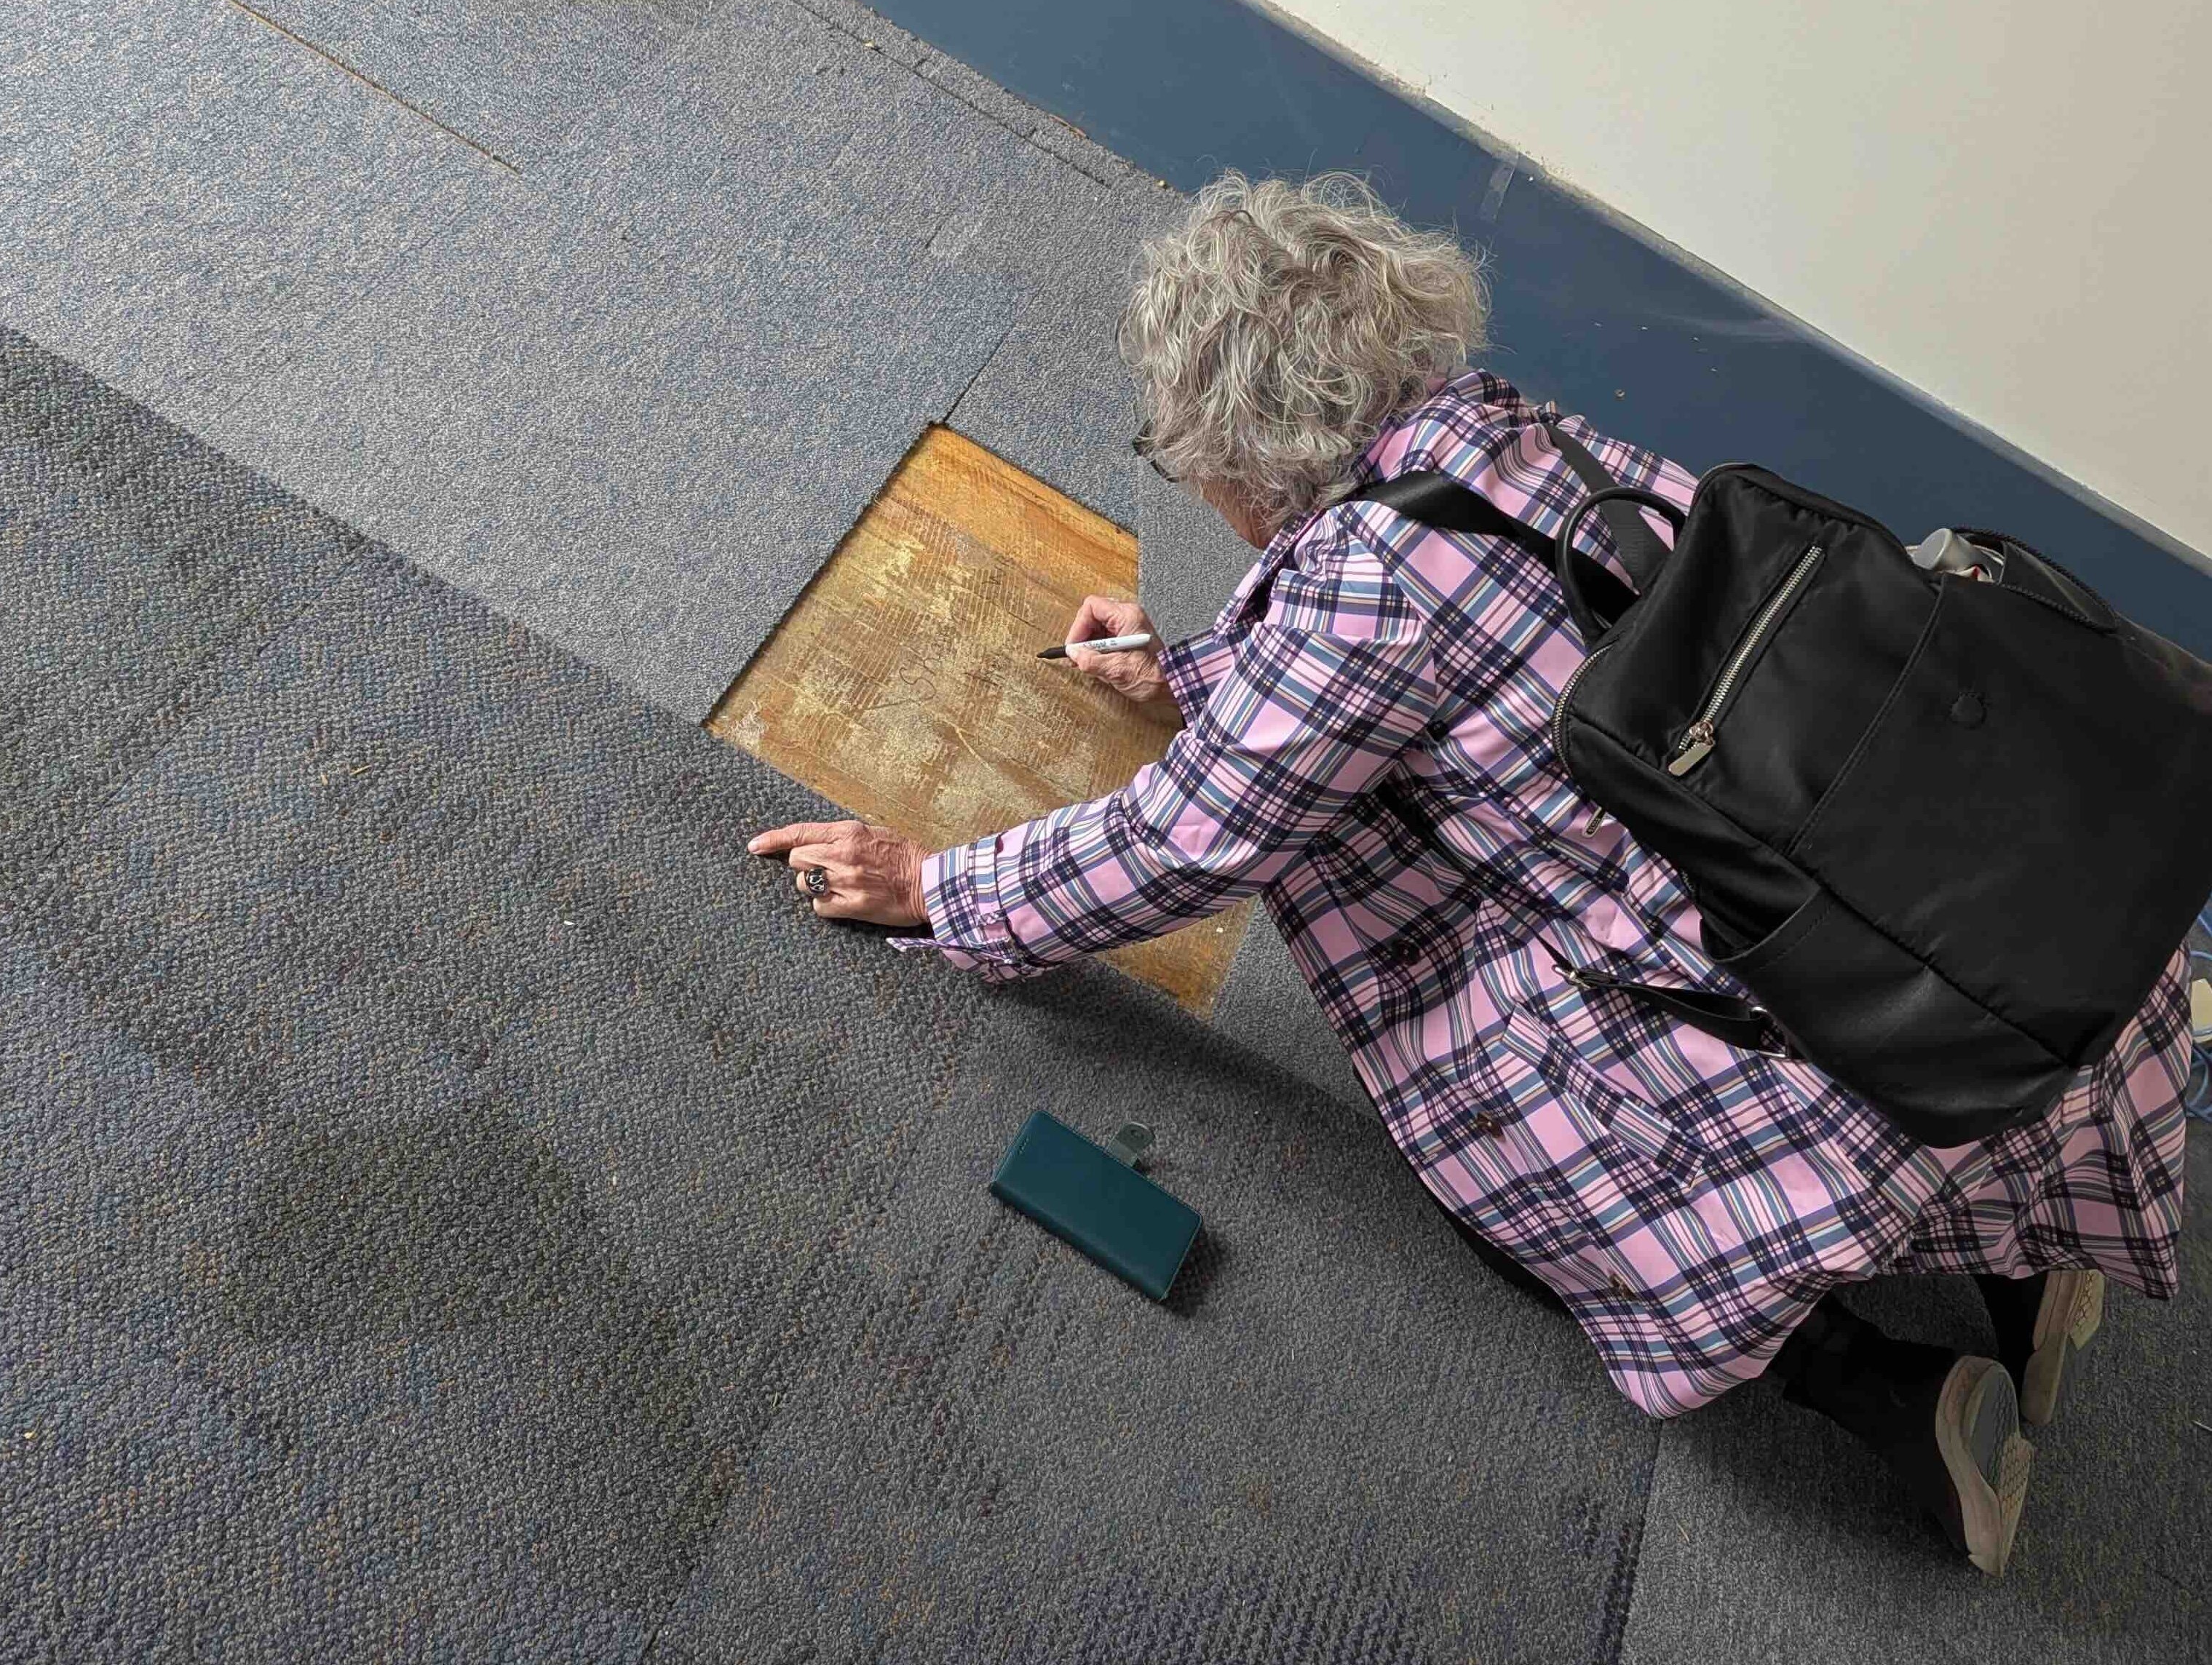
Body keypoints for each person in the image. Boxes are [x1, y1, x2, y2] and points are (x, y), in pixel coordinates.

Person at [749, 171, 2191, 1578]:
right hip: (1944, 907)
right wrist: (1200, 671)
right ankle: (2028, 1272)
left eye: (1173, 447)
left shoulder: (1362, 585)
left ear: (1240, 446)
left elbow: (1188, 839)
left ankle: (1884, 1395)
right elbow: (1462, 669)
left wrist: (941, 892)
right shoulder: (1512, 435)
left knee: (1490, 1160)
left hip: (1779, 996)